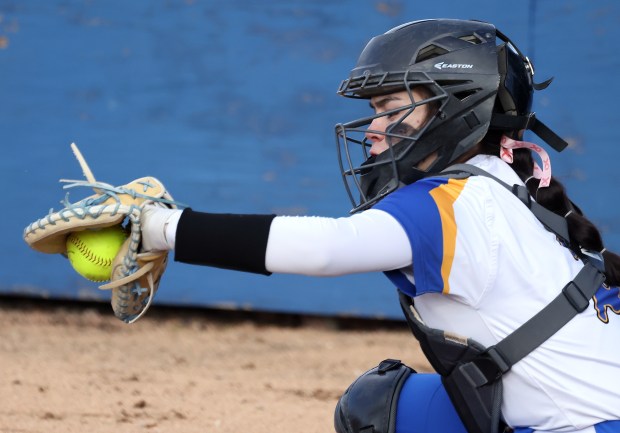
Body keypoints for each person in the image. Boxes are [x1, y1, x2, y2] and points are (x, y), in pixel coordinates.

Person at [140, 19, 620, 433]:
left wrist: (160, 226)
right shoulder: (509, 187)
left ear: (458, 106)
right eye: (374, 111)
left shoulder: (450, 201)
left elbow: (325, 249)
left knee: (375, 407)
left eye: (391, 107)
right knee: (412, 404)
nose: (373, 127)